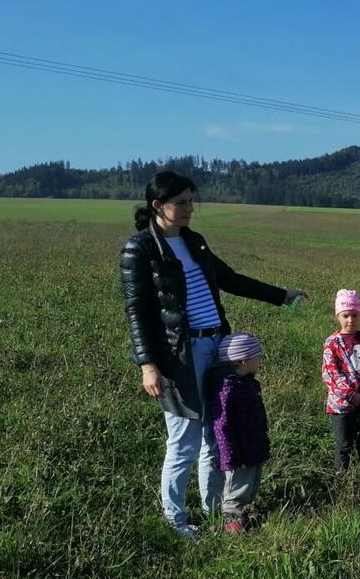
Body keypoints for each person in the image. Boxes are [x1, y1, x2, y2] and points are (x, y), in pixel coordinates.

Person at [119, 170, 304, 538]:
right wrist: (148, 364)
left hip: (216, 346)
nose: (190, 208)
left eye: (191, 200)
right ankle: (176, 521)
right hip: (179, 354)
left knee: (214, 435)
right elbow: (136, 310)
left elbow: (229, 279)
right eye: (182, 202)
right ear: (159, 206)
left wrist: (280, 296)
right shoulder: (138, 249)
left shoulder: (194, 242)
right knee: (184, 440)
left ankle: (214, 509)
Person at [205, 333, 269, 534]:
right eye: (257, 356)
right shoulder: (227, 389)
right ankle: (233, 526)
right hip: (239, 453)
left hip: (254, 447)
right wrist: (230, 455)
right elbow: (221, 425)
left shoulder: (248, 383)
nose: (260, 361)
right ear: (244, 360)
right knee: (236, 491)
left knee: (250, 485)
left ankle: (246, 516)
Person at [322, 290, 360, 471]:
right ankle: (341, 477)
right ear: (338, 316)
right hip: (341, 404)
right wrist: (350, 394)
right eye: (346, 315)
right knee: (344, 444)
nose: (350, 320)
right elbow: (330, 373)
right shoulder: (332, 343)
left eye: (354, 315)